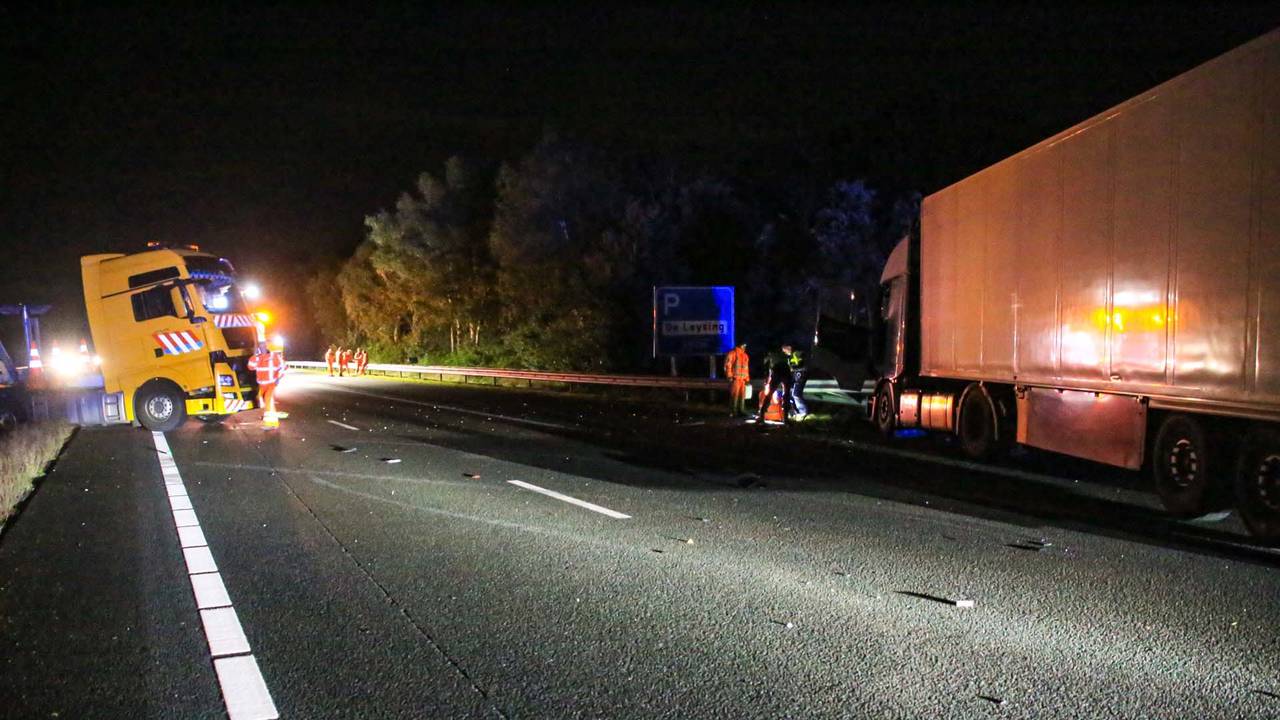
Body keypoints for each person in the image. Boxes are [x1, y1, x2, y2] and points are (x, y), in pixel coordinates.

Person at [248, 338, 287, 429]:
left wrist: (278, 378)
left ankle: (271, 424)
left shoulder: (275, 357)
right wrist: (255, 356)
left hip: (271, 383)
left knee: (268, 401)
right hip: (262, 385)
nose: (261, 348)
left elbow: (284, 367)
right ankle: (270, 420)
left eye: (263, 346)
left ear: (266, 346)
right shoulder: (258, 358)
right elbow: (251, 367)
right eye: (260, 346)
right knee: (266, 402)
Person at [757, 344, 792, 423]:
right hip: (786, 372)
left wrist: (767, 380)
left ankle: (762, 415)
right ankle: (786, 418)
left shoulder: (770, 355)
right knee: (786, 395)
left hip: (778, 372)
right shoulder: (784, 355)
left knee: (770, 393)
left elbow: (766, 367)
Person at [723, 342, 751, 417]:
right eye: (744, 345)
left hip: (742, 380)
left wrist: (747, 379)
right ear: (740, 345)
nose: (745, 347)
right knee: (734, 395)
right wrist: (729, 376)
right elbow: (727, 365)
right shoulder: (732, 353)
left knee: (742, 396)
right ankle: (733, 411)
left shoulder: (745, 355)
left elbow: (746, 368)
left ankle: (741, 410)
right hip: (735, 379)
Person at [788, 344, 809, 420]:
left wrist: (793, 368)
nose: (784, 351)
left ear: (789, 347)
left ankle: (803, 412)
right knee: (791, 394)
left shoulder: (797, 353)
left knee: (796, 394)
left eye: (785, 349)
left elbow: (801, 363)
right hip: (795, 375)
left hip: (800, 373)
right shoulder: (790, 357)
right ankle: (795, 412)